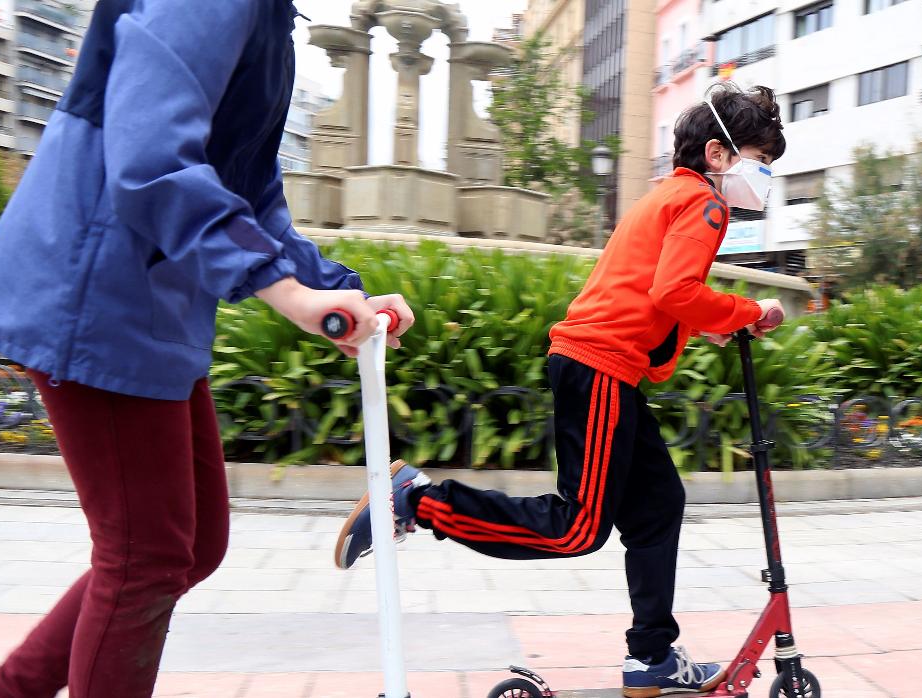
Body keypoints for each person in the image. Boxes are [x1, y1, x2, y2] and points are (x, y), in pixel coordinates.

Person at [0, 2, 413, 697]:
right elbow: (149, 159)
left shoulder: (266, 16)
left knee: (189, 544)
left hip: (149, 300)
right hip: (97, 292)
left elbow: (251, 196)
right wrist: (284, 292)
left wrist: (335, 291)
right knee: (146, 559)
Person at [336, 82, 787, 698]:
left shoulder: (669, 194)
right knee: (576, 528)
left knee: (659, 505)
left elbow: (651, 291)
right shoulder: (706, 206)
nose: (762, 177)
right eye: (760, 162)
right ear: (717, 153)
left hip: (606, 368)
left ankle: (652, 657)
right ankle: (417, 501)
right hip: (600, 366)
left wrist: (707, 321)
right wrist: (748, 308)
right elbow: (673, 293)